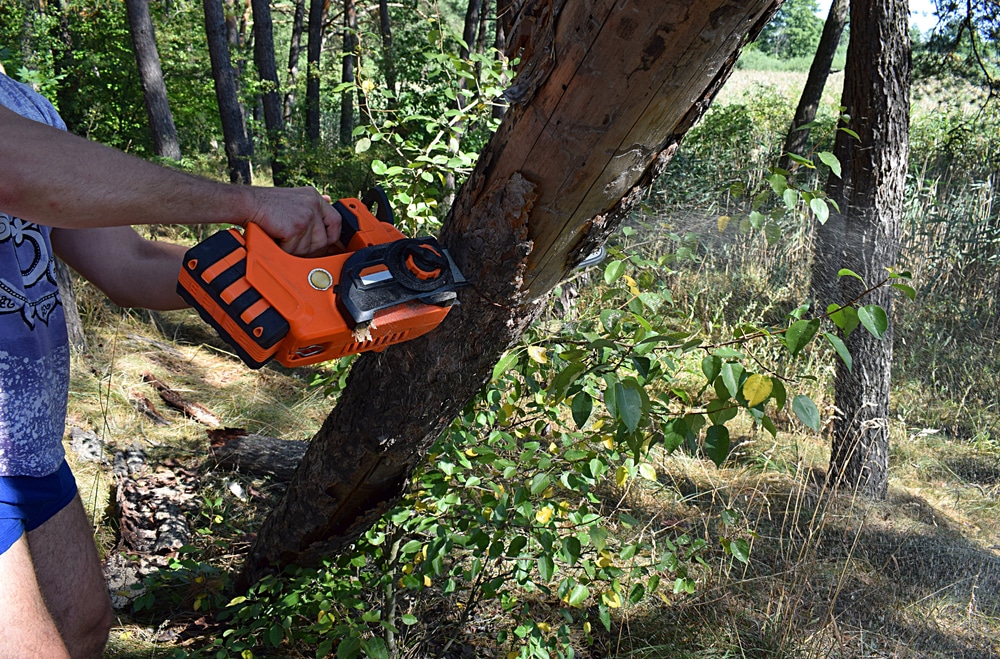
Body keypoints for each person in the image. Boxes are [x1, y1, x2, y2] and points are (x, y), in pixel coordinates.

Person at [0, 69, 342, 658]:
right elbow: (13, 169)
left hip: (27, 445)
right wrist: (247, 204)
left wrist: (279, 277)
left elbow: (127, 260)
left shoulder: (21, 99)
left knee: (82, 624)